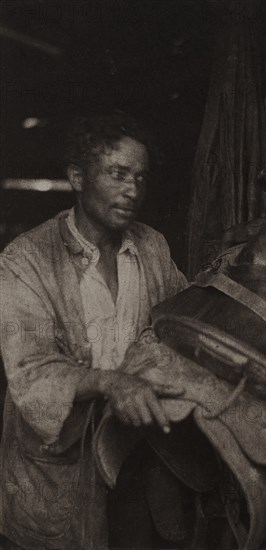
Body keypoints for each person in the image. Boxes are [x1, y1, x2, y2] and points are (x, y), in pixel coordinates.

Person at [0, 112, 187, 549]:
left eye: (141, 177)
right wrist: (109, 382)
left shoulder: (152, 247)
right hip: (55, 470)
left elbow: (178, 323)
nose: (133, 189)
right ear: (78, 178)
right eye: (118, 174)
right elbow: (32, 370)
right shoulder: (25, 260)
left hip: (133, 461)